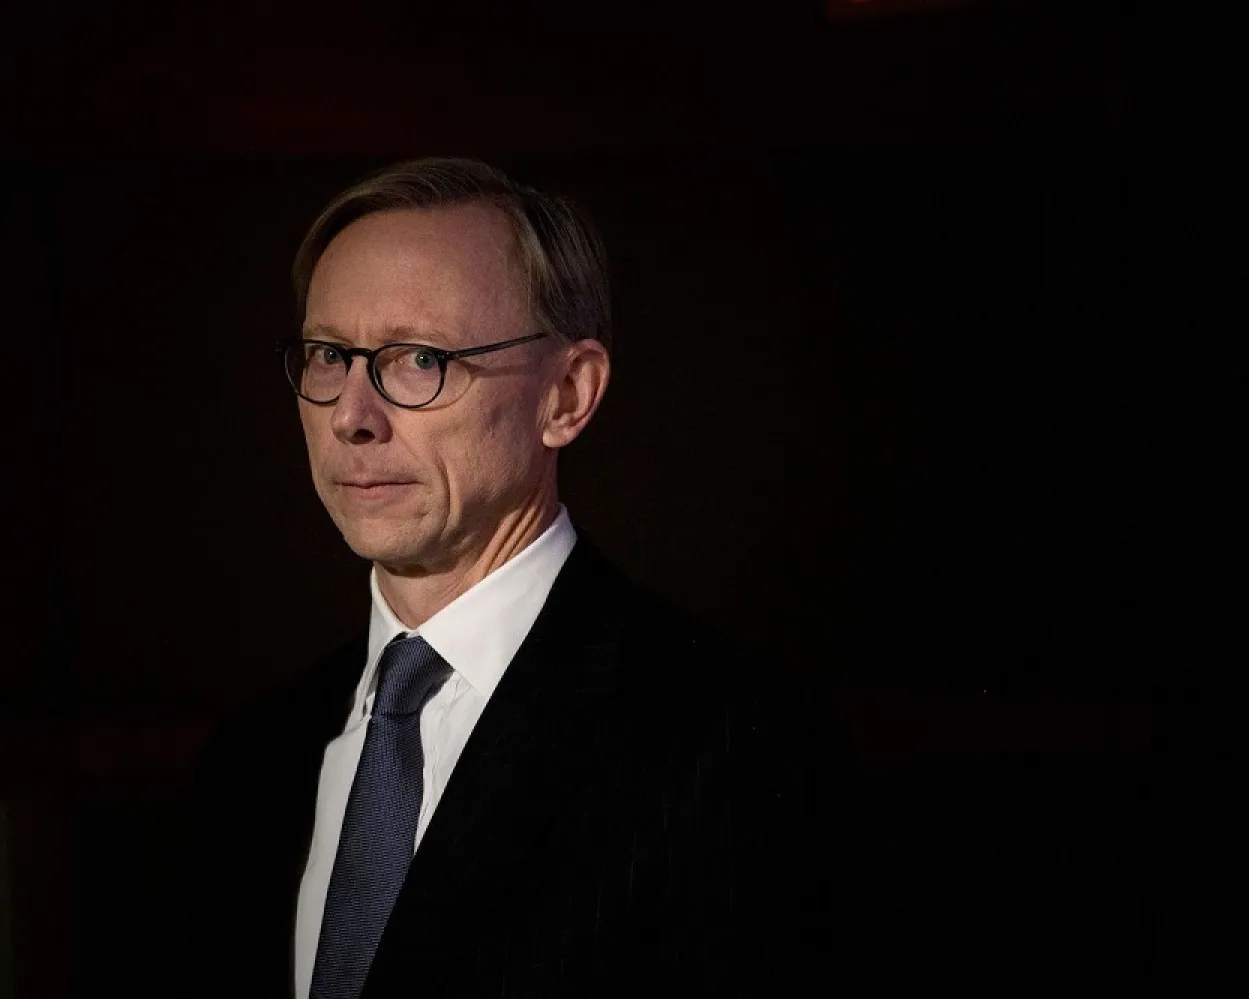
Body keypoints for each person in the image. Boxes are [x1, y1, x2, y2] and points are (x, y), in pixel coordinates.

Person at [187, 158, 899, 997]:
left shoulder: (733, 742)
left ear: (566, 393)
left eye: (418, 359)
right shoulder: (251, 759)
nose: (351, 414)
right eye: (328, 354)